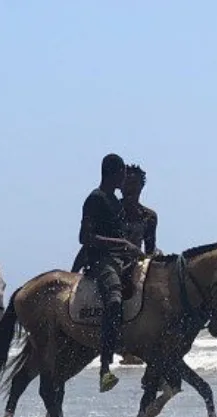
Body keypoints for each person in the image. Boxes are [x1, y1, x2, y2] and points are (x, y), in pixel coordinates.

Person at [78, 153, 138, 392]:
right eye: (123, 173)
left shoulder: (116, 202)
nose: (125, 179)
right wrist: (121, 245)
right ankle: (105, 368)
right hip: (101, 261)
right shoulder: (95, 199)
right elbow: (85, 238)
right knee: (114, 301)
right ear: (113, 173)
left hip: (122, 259)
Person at [121, 164, 158, 256]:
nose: (130, 188)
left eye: (134, 183)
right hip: (111, 262)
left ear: (141, 186)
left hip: (136, 262)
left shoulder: (149, 216)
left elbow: (150, 249)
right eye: (126, 183)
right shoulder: (111, 210)